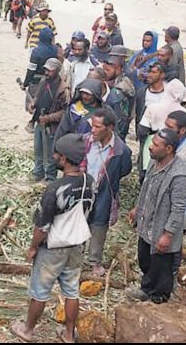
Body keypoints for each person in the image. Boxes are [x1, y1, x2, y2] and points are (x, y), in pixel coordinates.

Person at [10, 133, 94, 344]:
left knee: (40, 291)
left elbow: (42, 226)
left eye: (57, 154)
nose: (54, 156)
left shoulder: (55, 189)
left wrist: (33, 247)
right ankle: (68, 334)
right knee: (71, 291)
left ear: (64, 159)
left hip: (53, 248)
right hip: (77, 245)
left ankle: (27, 330)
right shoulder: (89, 181)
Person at [126, 128, 186, 304]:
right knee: (145, 259)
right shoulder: (154, 162)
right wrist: (138, 208)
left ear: (168, 149)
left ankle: (159, 296)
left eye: (155, 144)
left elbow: (178, 208)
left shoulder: (179, 174)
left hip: (161, 228)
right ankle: (146, 288)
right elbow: (146, 189)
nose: (150, 147)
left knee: (161, 264)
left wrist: (168, 234)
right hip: (147, 225)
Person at [82, 108, 133, 277]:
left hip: (104, 192)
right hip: (83, 190)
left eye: (98, 127)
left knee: (99, 224)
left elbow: (124, 170)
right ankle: (75, 258)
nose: (93, 130)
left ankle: (94, 261)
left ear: (110, 127)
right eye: (92, 125)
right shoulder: (85, 142)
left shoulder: (121, 151)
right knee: (79, 222)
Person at [28, 58, 71, 183]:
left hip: (52, 127)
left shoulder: (63, 90)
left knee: (51, 154)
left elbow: (66, 112)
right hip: (40, 121)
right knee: (38, 150)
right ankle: (38, 173)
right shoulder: (44, 81)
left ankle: (50, 178)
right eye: (46, 70)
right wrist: (33, 104)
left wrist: (49, 118)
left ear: (57, 71)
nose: (47, 73)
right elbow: (37, 96)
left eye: (50, 71)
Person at [54, 79, 107, 144]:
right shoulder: (73, 109)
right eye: (83, 93)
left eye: (88, 94)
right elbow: (61, 131)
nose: (84, 96)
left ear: (95, 95)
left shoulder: (105, 112)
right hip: (73, 145)